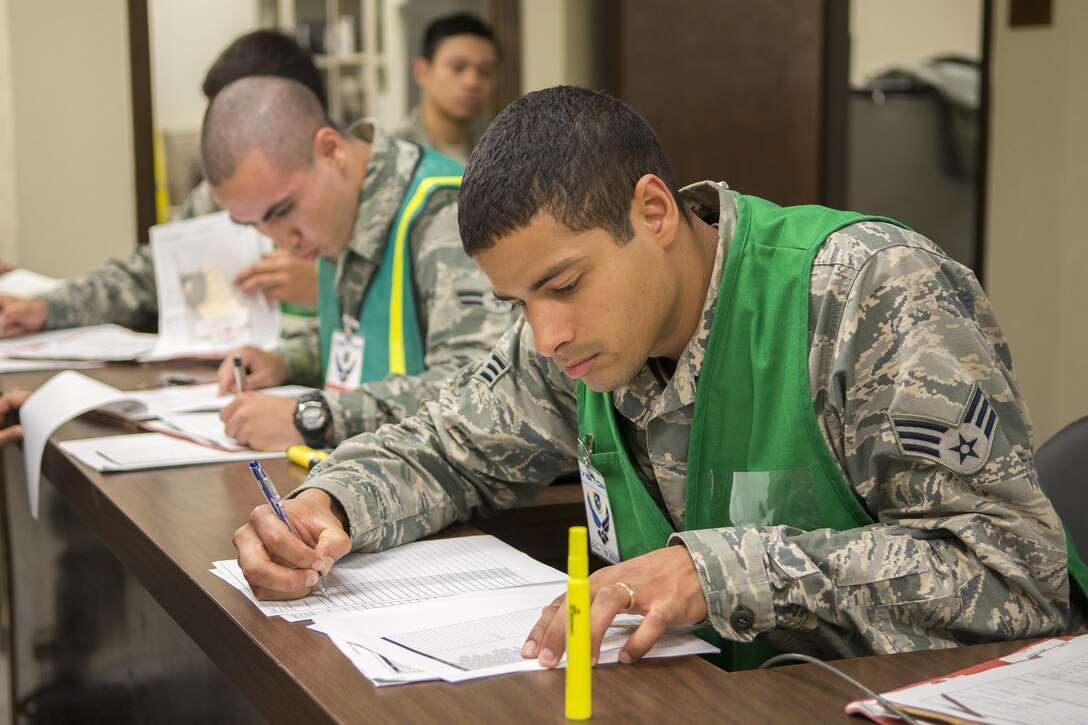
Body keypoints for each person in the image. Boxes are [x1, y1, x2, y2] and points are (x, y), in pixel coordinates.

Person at [232, 86, 1087, 671]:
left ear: (654, 211)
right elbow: (446, 445)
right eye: (517, 301)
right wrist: (328, 508)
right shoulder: (569, 343)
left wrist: (719, 573)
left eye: (564, 285)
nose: (547, 332)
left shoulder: (870, 292)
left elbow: (1016, 578)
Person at [205, 76, 512, 451]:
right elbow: (362, 334)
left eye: (283, 211)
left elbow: (482, 386)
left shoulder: (445, 213)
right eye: (255, 224)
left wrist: (320, 417)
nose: (282, 240)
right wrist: (284, 362)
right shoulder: (339, 211)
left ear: (331, 150)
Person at [0, 29, 323, 340]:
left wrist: (326, 291)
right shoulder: (216, 199)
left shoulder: (349, 195)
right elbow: (146, 278)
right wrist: (46, 307)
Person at [390, 13, 498, 163]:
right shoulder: (391, 154)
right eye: (457, 68)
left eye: (485, 72)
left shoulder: (497, 156)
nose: (472, 82)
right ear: (421, 72)